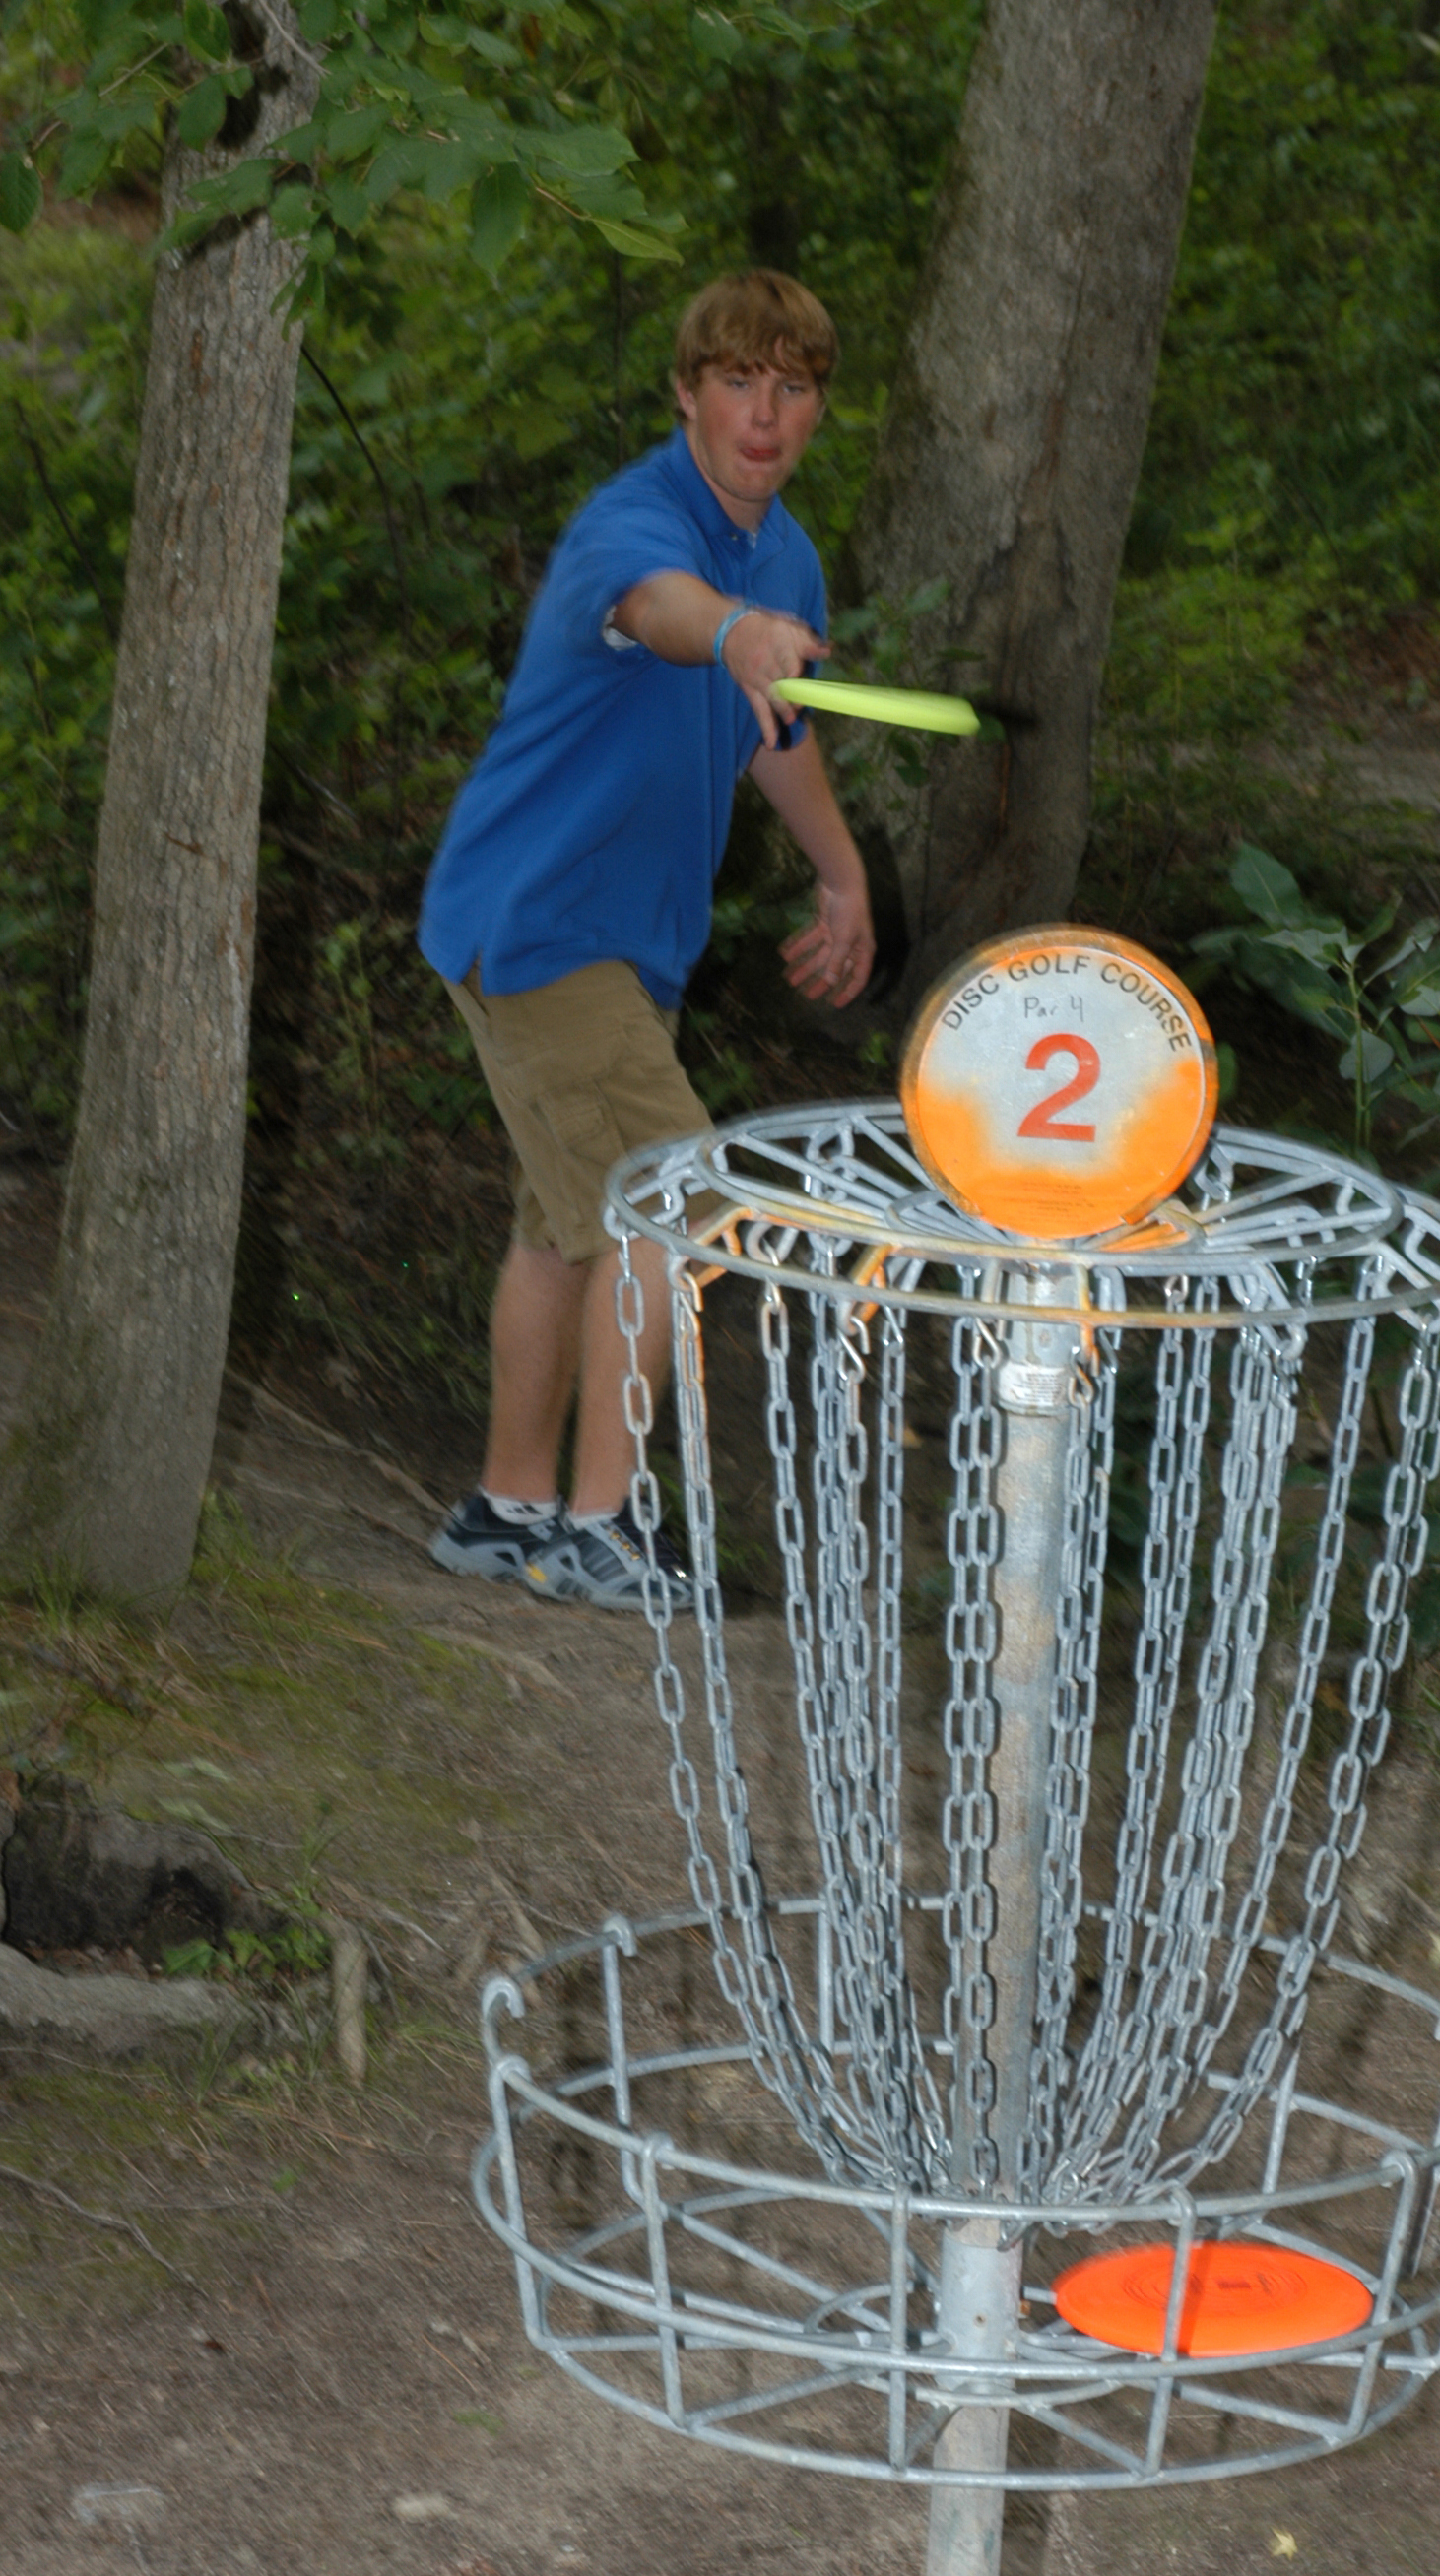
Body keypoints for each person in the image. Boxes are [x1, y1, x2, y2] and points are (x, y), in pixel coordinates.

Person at [418, 270, 873, 1611]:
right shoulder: (632, 529)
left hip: (620, 944)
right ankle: (600, 1528)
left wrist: (842, 876)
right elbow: (666, 617)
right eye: (738, 380)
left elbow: (771, 731)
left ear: (816, 411)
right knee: (677, 1193)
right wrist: (731, 632)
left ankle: (505, 1507)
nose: (765, 412)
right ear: (687, 393)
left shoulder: (786, 556)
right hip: (541, 922)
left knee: (570, 1223)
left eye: (793, 386)